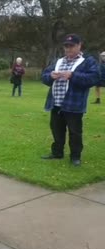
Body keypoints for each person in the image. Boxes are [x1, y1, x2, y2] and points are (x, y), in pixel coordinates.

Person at [41, 34, 99, 167]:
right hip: (56, 103)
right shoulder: (58, 61)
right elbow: (44, 77)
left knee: (75, 132)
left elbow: (94, 78)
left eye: (71, 46)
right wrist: (50, 76)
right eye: (66, 46)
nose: (68, 49)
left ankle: (75, 156)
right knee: (56, 130)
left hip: (74, 104)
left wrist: (73, 75)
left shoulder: (87, 61)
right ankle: (57, 152)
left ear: (79, 45)